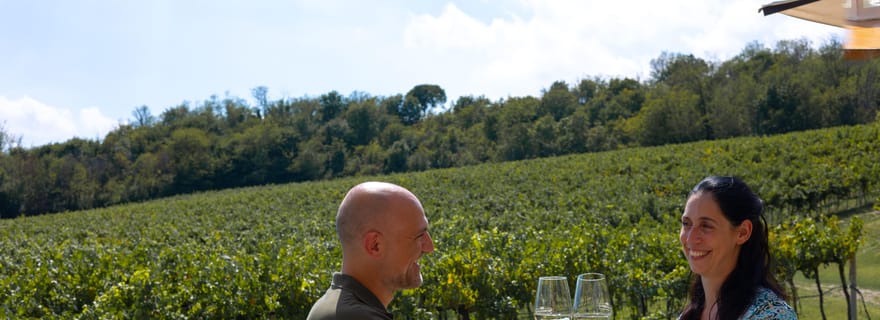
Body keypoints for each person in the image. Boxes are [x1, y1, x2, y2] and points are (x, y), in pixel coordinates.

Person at [308, 181, 435, 320]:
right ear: (375, 245)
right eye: (419, 236)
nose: (429, 247)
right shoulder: (354, 316)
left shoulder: (337, 307)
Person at [679, 176, 796, 320]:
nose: (690, 238)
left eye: (706, 226)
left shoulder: (771, 316)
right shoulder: (689, 315)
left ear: (743, 232)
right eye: (686, 223)